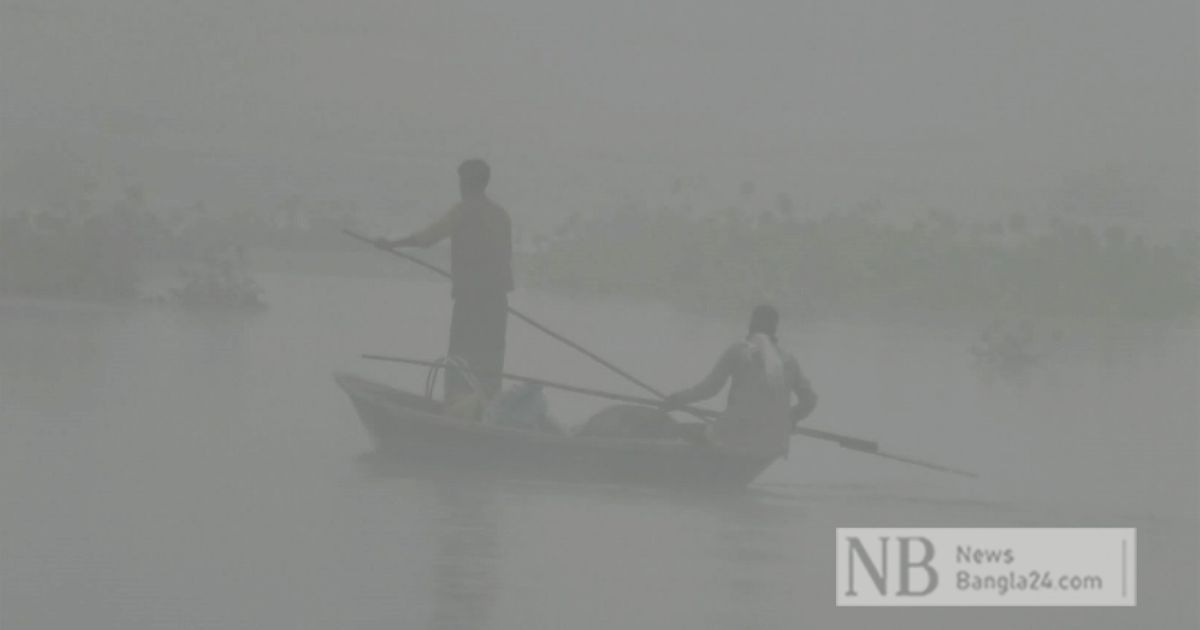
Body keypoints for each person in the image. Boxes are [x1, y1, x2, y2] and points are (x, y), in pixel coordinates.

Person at [376, 159, 513, 403]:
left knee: (460, 358)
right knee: (491, 359)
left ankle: (457, 408)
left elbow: (427, 238)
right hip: (497, 302)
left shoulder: (463, 211)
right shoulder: (501, 216)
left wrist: (391, 245)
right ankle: (489, 407)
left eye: (461, 181)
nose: (460, 186)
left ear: (466, 183)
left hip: (470, 300)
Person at [662, 305, 816, 461]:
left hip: (735, 438)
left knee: (678, 431)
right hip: (775, 444)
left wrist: (676, 399)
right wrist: (789, 419)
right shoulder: (789, 360)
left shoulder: (739, 351)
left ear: (751, 326)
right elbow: (810, 401)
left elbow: (709, 389)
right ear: (775, 330)